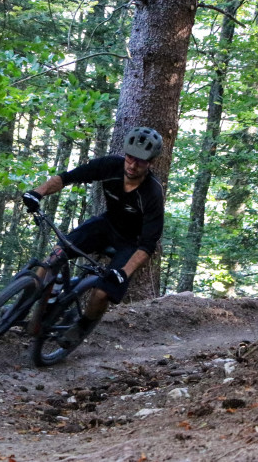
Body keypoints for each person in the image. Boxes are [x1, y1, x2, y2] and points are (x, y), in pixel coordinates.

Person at [21, 126, 165, 348]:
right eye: (130, 157)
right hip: (106, 225)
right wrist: (37, 193)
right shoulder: (110, 166)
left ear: (151, 162)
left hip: (131, 243)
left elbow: (148, 245)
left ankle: (82, 326)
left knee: (102, 292)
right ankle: (24, 308)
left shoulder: (152, 193)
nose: (132, 165)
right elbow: (67, 178)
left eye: (141, 161)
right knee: (53, 258)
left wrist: (123, 273)